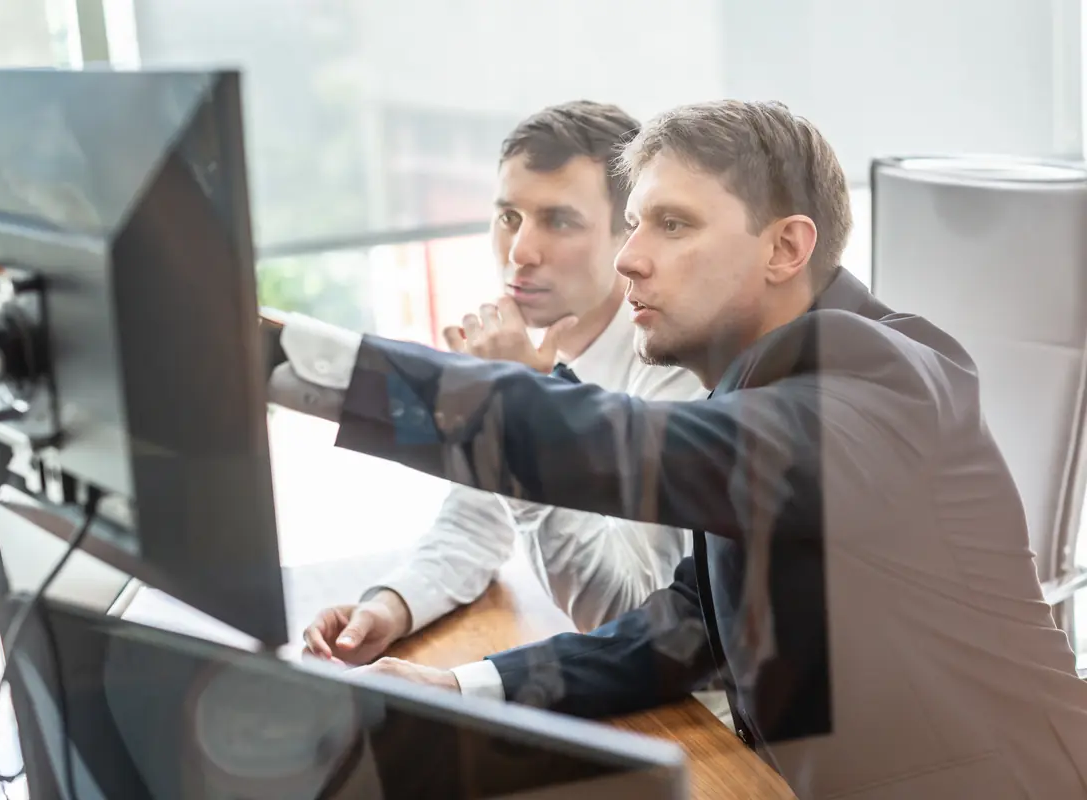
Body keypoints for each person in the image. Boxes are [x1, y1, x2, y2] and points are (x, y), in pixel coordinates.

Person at [269, 100, 1087, 798]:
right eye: (633, 224)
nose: (628, 259)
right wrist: (459, 687)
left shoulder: (877, 380)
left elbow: (622, 444)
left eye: (672, 224)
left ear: (785, 248)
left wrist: (284, 364)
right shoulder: (761, 393)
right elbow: (686, 628)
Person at [301, 101, 702, 667]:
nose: (519, 252)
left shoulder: (675, 371)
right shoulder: (529, 351)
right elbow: (475, 522)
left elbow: (627, 612)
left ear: (628, 236)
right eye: (509, 216)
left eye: (559, 221)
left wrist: (519, 418)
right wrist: (389, 606)